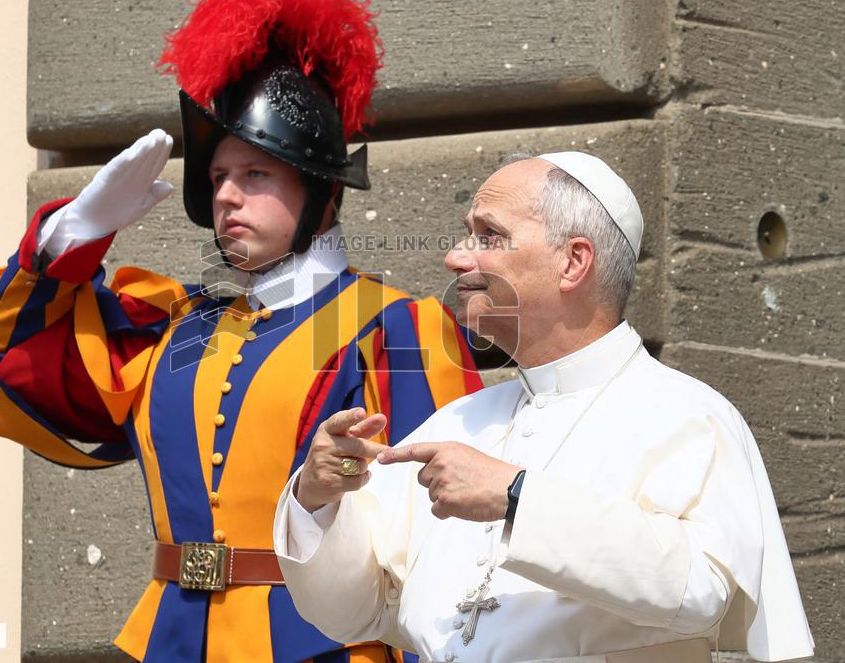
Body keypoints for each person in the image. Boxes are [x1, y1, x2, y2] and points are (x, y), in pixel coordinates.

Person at [0, 0, 481, 663]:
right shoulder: (176, 323)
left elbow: (442, 545)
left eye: (255, 173)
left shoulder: (396, 326)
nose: (227, 196)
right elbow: (7, 357)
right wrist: (70, 240)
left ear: (323, 193)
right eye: (218, 176)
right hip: (170, 642)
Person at [274, 153, 815, 663]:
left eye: (490, 236)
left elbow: (703, 590)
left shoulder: (689, 417)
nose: (456, 257)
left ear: (573, 261)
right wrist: (317, 500)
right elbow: (354, 614)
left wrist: (517, 498)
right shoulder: (459, 421)